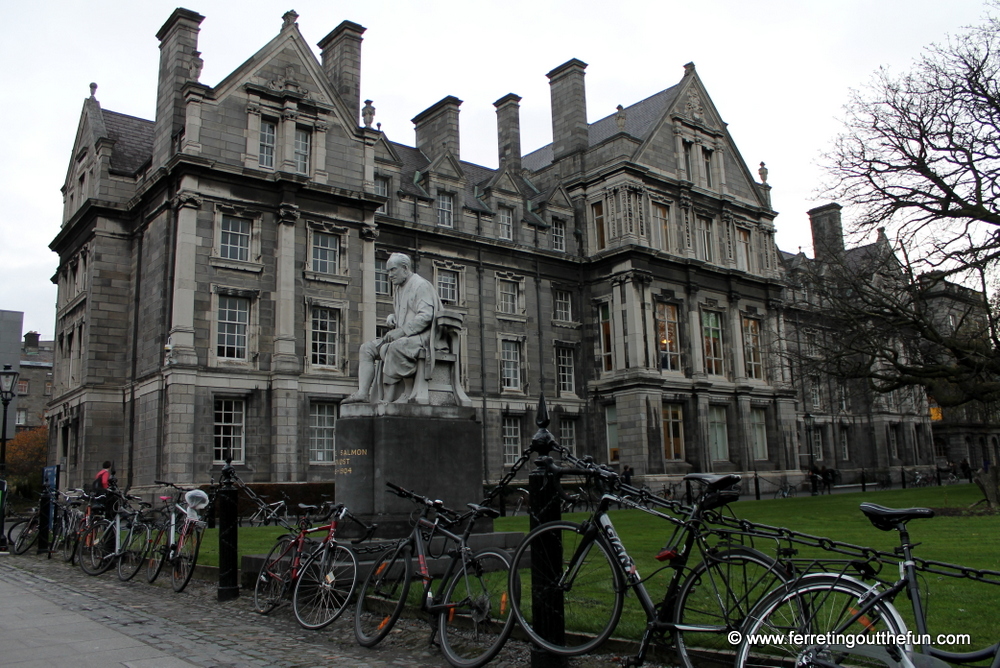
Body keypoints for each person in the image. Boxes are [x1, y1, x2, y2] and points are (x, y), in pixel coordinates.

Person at [344, 253, 443, 403]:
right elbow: (408, 313)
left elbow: (426, 316)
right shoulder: (399, 288)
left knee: (394, 347)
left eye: (392, 270)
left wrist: (402, 330)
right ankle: (363, 393)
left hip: (424, 337)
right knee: (367, 348)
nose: (389, 275)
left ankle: (405, 393)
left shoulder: (420, 285)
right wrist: (394, 318)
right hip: (407, 336)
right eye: (388, 271)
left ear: (404, 268)